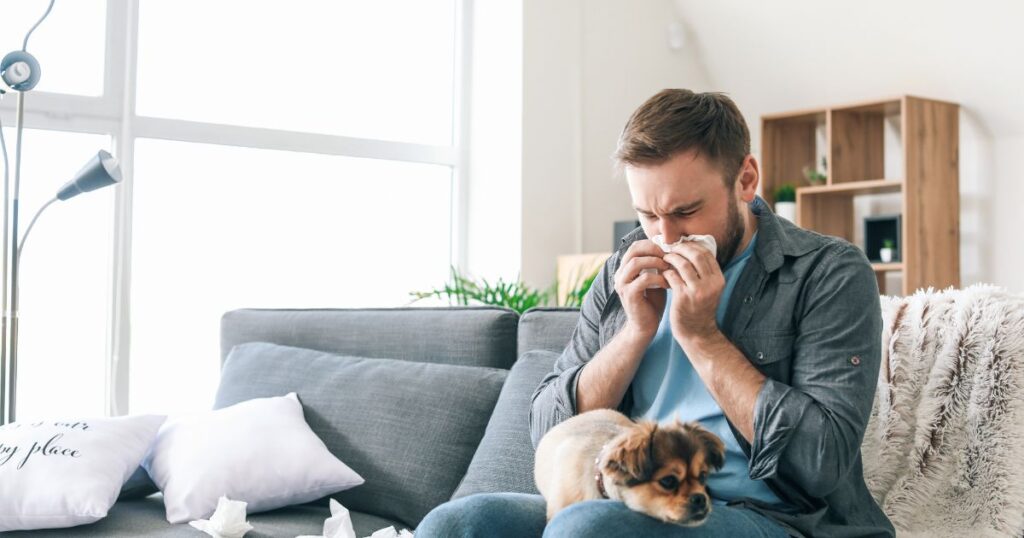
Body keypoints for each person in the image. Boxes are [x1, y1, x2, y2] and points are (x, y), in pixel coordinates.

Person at [417, 89, 895, 538]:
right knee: (458, 523)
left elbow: (821, 460)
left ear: (745, 179)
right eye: (647, 214)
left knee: (586, 529)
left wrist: (702, 337)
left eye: (685, 211)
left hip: (775, 517)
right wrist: (634, 333)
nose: (665, 236)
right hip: (623, 499)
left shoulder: (827, 272)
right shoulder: (624, 268)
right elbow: (548, 432)